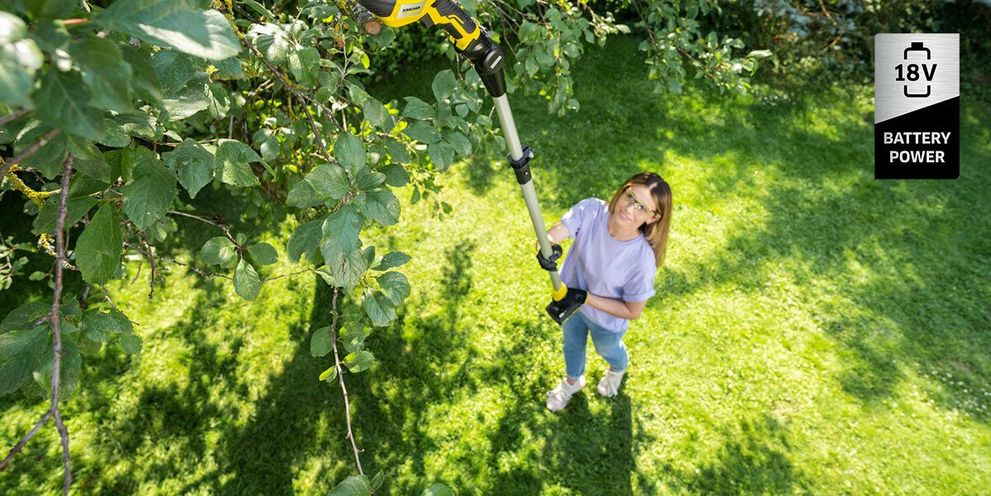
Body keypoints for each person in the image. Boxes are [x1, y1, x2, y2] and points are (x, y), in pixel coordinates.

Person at [540, 172, 672, 412]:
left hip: (607, 321)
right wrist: (546, 243)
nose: (630, 209)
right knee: (572, 344)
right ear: (623, 190)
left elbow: (633, 311)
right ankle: (573, 382)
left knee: (607, 349)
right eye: (630, 197)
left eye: (642, 208)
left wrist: (585, 297)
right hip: (571, 304)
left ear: (654, 217)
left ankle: (618, 368)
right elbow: (555, 233)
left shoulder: (641, 260)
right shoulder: (591, 210)